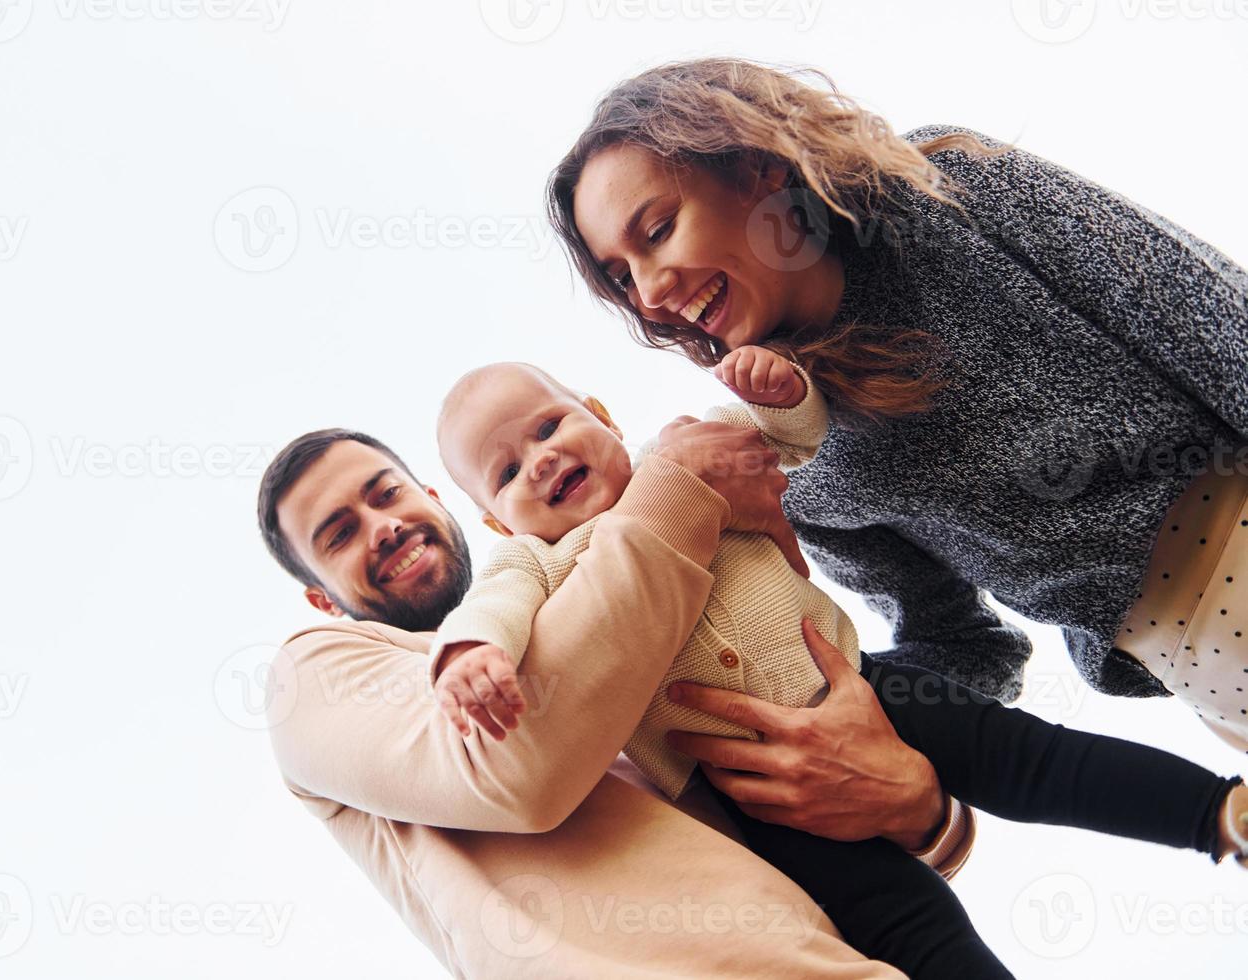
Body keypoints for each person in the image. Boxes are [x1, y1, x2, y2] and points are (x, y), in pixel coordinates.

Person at [427, 355, 1248, 977]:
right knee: (904, 919)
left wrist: (779, 389)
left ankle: (1221, 812)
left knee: (1036, 758)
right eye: (505, 472)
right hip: (748, 791)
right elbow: (486, 612)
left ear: (598, 415)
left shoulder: (682, 459)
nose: (537, 460)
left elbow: (784, 439)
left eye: (547, 426)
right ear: (496, 522)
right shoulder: (536, 564)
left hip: (866, 683)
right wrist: (472, 656)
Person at [545, 58, 1248, 755]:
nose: (652, 292)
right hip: (1212, 678)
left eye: (659, 230)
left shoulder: (948, 190)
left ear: (758, 170)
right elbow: (963, 645)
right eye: (622, 276)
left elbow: (1216, 323)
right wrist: (827, 706)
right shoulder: (793, 463)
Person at [256, 420, 957, 978]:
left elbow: (800, 830)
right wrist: (678, 489)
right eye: (340, 534)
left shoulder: (606, 626)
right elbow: (516, 771)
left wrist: (923, 812)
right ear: (323, 599)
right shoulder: (310, 673)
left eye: (385, 494)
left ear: (433, 500)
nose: (381, 527)